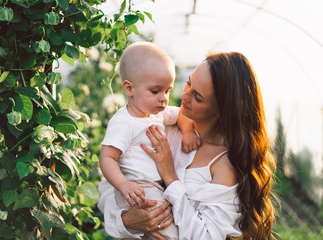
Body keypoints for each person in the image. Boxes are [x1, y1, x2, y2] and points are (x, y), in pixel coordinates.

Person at [98, 51, 276, 240]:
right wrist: (126, 221)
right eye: (189, 82)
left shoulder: (224, 165)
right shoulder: (161, 128)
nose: (183, 95)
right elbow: (107, 189)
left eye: (198, 97)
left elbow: (208, 237)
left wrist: (170, 178)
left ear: (223, 110)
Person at [99, 42, 201, 240]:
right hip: (137, 187)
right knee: (168, 231)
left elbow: (182, 114)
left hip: (156, 186)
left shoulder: (156, 113)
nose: (163, 99)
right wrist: (123, 185)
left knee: (166, 224)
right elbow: (107, 158)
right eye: (155, 91)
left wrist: (188, 132)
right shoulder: (124, 122)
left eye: (168, 90)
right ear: (129, 88)